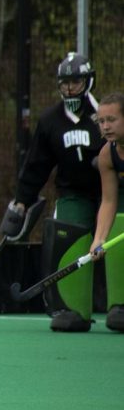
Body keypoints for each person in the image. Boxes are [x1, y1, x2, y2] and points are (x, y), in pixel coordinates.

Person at [0, 52, 104, 332]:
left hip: (113, 191)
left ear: (89, 81)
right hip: (73, 192)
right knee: (67, 235)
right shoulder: (50, 121)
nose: (70, 89)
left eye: (76, 82)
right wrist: (22, 201)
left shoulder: (106, 114)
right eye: (65, 83)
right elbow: (36, 165)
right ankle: (72, 308)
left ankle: (119, 305)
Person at [88, 92, 124, 332]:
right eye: (102, 121)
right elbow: (109, 200)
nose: (106, 126)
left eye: (112, 119)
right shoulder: (106, 155)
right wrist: (99, 238)